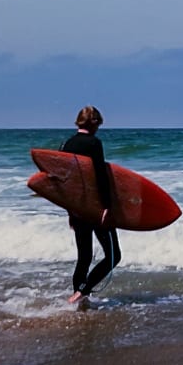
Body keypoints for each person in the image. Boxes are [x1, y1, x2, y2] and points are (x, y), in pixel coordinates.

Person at [60, 105, 121, 306]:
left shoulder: (66, 144)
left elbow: (65, 183)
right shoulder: (94, 144)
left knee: (84, 257)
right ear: (94, 123)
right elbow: (100, 178)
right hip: (95, 208)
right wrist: (106, 209)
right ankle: (84, 291)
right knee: (114, 255)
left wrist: (70, 211)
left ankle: (77, 298)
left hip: (77, 208)